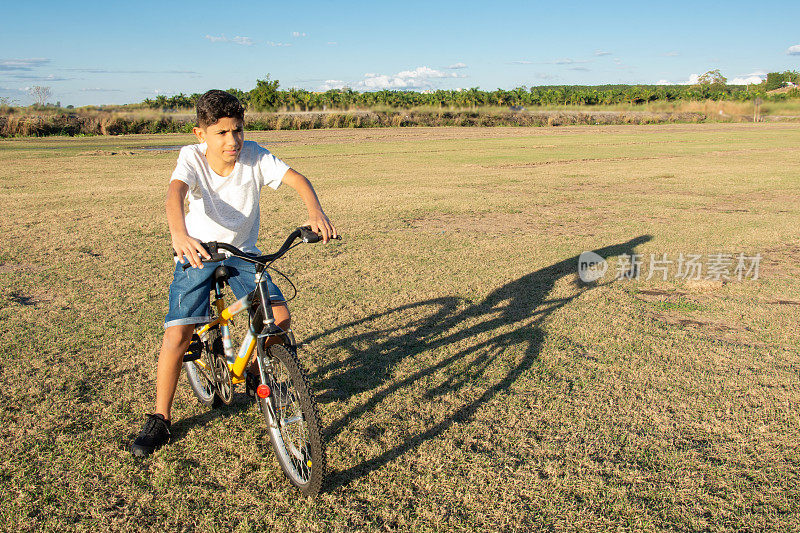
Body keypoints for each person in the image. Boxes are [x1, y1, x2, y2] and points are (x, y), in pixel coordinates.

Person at [131, 89, 337, 457]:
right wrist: (180, 234)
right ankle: (160, 416)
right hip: (198, 252)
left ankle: (260, 368)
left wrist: (314, 211)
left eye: (237, 130)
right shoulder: (190, 158)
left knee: (279, 318)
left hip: (243, 253)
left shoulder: (255, 155)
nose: (232, 140)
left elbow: (297, 179)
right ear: (201, 134)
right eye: (222, 133)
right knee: (179, 331)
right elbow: (174, 194)